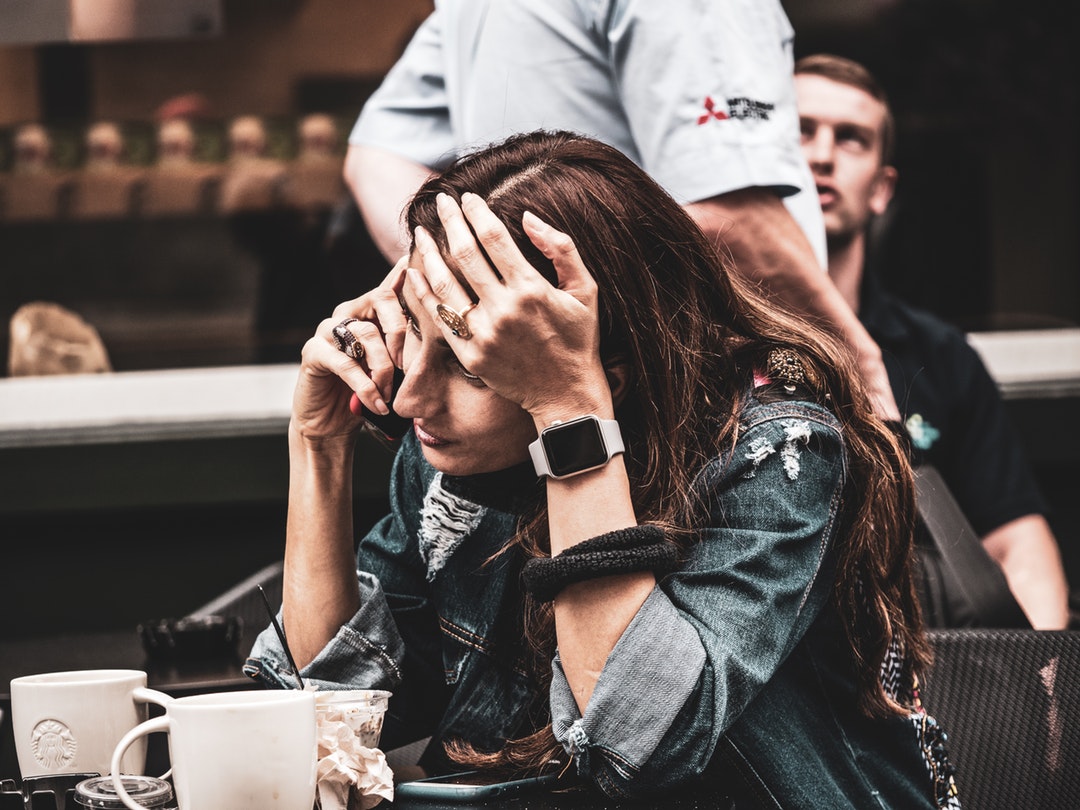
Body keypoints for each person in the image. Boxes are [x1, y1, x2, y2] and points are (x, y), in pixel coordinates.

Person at [247, 130, 960, 807]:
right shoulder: (450, 451)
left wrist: (567, 412)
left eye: (471, 368)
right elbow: (340, 719)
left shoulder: (775, 450)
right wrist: (319, 447)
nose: (408, 398)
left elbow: (636, 743)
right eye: (415, 343)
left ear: (603, 372)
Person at [343, 0, 901, 422]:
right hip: (698, 406)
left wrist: (490, 291)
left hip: (539, 395)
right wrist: (861, 372)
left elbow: (377, 160)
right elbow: (734, 218)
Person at [794, 53, 1069, 630]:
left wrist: (1041, 687)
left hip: (924, 684)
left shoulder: (941, 356)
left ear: (881, 188)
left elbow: (1018, 545)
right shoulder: (708, 341)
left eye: (851, 139)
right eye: (801, 130)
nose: (821, 155)